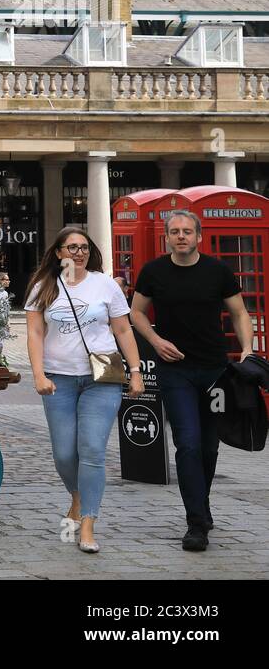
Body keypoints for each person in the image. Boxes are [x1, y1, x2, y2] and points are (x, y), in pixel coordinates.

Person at [130, 210, 254, 552]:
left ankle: (202, 504)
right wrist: (156, 342)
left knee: (209, 446)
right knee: (187, 443)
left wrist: (246, 349)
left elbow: (240, 312)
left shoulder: (218, 271)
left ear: (198, 236)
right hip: (176, 371)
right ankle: (196, 523)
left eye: (187, 231)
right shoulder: (153, 272)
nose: (180, 236)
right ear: (167, 237)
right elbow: (136, 312)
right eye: (174, 231)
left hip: (215, 370)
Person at [25, 227, 144, 553]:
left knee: (91, 449)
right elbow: (35, 333)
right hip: (59, 378)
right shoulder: (44, 286)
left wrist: (135, 371)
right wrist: (38, 375)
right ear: (59, 252)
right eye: (72, 247)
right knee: (64, 453)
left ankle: (88, 524)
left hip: (102, 376)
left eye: (84, 247)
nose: (79, 252)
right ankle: (77, 497)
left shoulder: (105, 284)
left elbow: (122, 328)